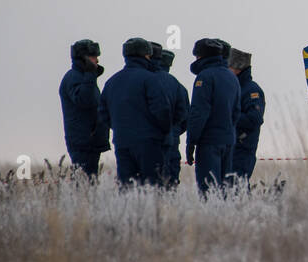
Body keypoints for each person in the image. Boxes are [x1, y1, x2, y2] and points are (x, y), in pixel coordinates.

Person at [97, 38, 172, 186]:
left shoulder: (112, 81)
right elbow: (162, 110)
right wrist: (162, 132)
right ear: (146, 55)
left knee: (127, 187)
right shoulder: (150, 79)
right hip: (149, 143)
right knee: (152, 187)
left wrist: (121, 128)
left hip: (122, 142)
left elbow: (103, 113)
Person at [186, 38, 241, 196]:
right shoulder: (232, 77)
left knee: (208, 191)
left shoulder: (204, 77)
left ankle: (211, 219)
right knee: (226, 190)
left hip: (209, 141)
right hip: (228, 140)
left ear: (201, 56)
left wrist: (192, 141)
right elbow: (236, 111)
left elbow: (199, 112)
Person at [59, 39, 110, 177]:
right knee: (84, 183)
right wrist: (90, 74)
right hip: (83, 143)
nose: (97, 60)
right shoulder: (74, 78)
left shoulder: (84, 78)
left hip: (90, 141)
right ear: (85, 58)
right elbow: (84, 100)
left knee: (89, 183)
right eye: (93, 56)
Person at [152, 43, 190, 187]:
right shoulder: (179, 87)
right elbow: (186, 118)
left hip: (149, 140)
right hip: (173, 141)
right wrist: (174, 131)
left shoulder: (147, 81)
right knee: (171, 181)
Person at [228, 48, 265, 186]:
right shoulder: (232, 88)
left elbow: (254, 119)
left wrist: (229, 116)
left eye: (229, 66)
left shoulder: (252, 90)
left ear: (238, 67)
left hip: (242, 150)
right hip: (230, 147)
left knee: (237, 187)